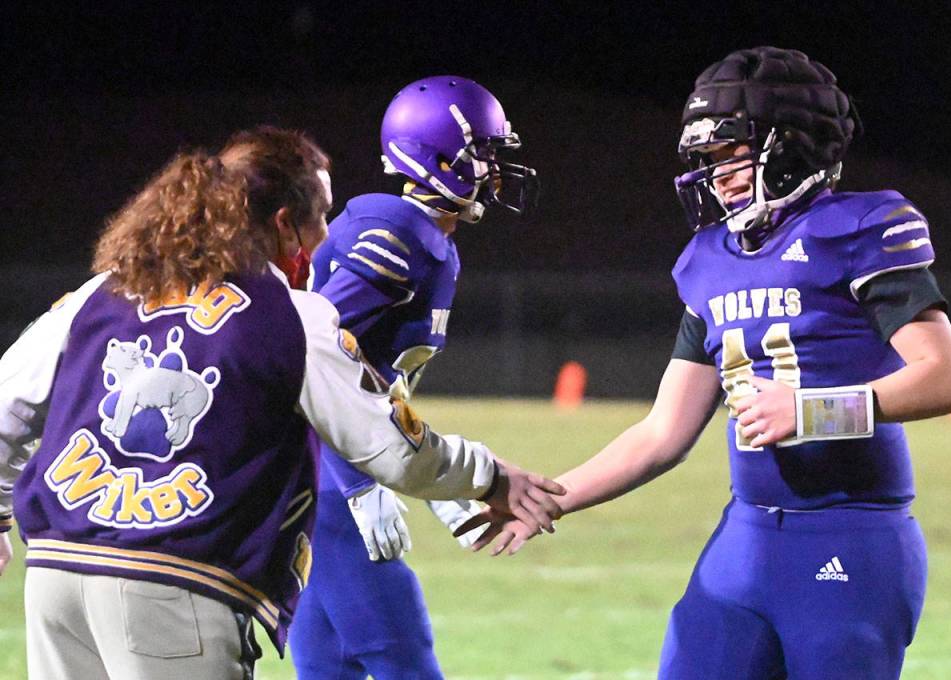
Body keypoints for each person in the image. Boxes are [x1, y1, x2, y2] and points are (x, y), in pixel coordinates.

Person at [465, 47, 951, 679]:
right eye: (705, 159)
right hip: (746, 539)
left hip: (851, 535)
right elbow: (662, 434)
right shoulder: (710, 261)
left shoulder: (858, 228)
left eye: (727, 153)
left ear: (789, 146)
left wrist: (812, 411)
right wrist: (552, 498)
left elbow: (950, 379)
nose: (714, 173)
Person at [0, 125, 562, 680]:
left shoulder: (105, 290)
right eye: (321, 216)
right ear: (284, 224)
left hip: (57, 575)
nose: (326, 235)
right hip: (178, 580)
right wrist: (491, 477)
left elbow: (9, 403)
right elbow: (391, 447)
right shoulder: (290, 317)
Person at [289, 75, 538, 680]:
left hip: (315, 476)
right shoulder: (395, 234)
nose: (496, 169)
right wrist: (359, 482)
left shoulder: (429, 239)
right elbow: (312, 358)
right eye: (485, 152)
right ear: (442, 158)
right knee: (404, 657)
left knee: (329, 665)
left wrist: (439, 486)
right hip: (322, 478)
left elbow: (376, 385)